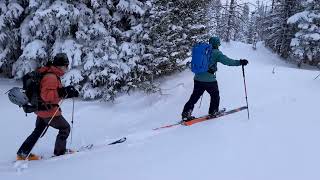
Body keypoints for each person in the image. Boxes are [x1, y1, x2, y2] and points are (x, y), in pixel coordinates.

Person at [16, 53, 79, 160]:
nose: (67, 68)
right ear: (60, 66)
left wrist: (65, 92)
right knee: (65, 128)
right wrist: (63, 91)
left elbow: (52, 93)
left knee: (38, 130)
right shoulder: (51, 77)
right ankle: (60, 152)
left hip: (41, 110)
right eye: (66, 65)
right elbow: (46, 96)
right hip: (48, 111)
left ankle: (22, 153)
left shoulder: (50, 73)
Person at [181, 36, 248, 121]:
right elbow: (228, 61)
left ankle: (186, 113)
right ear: (217, 44)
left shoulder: (203, 51)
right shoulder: (217, 52)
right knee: (215, 95)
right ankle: (213, 111)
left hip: (197, 78)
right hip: (209, 80)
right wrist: (240, 62)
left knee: (194, 96)